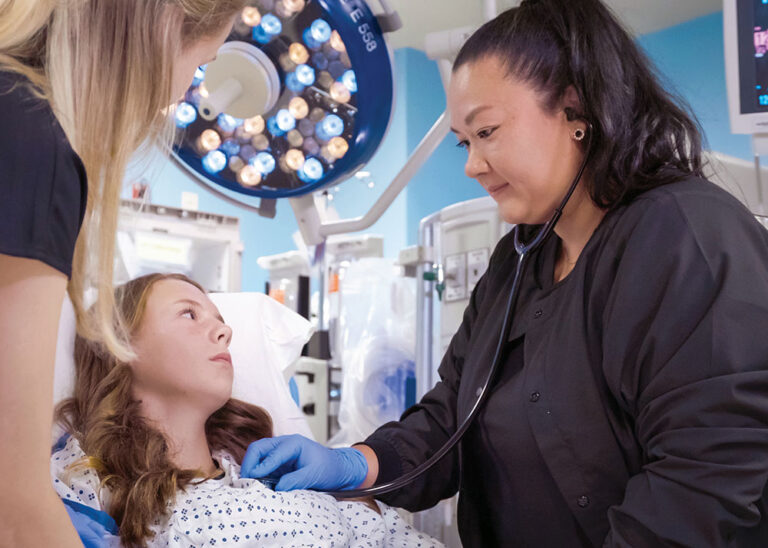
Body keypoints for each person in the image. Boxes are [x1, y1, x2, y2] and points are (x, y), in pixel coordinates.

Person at [240, 0, 768, 546]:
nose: (470, 164)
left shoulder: (686, 236)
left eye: (487, 131)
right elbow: (452, 419)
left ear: (575, 108)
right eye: (464, 142)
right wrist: (358, 463)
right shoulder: (518, 261)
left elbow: (706, 474)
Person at [0, 0, 246, 544]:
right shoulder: (29, 143)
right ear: (159, 30)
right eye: (200, 66)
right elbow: (14, 511)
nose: (184, 93)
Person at [52, 272, 442, 548]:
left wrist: (354, 484)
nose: (226, 331)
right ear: (121, 345)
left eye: (220, 320)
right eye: (189, 314)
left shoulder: (275, 476)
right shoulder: (90, 485)